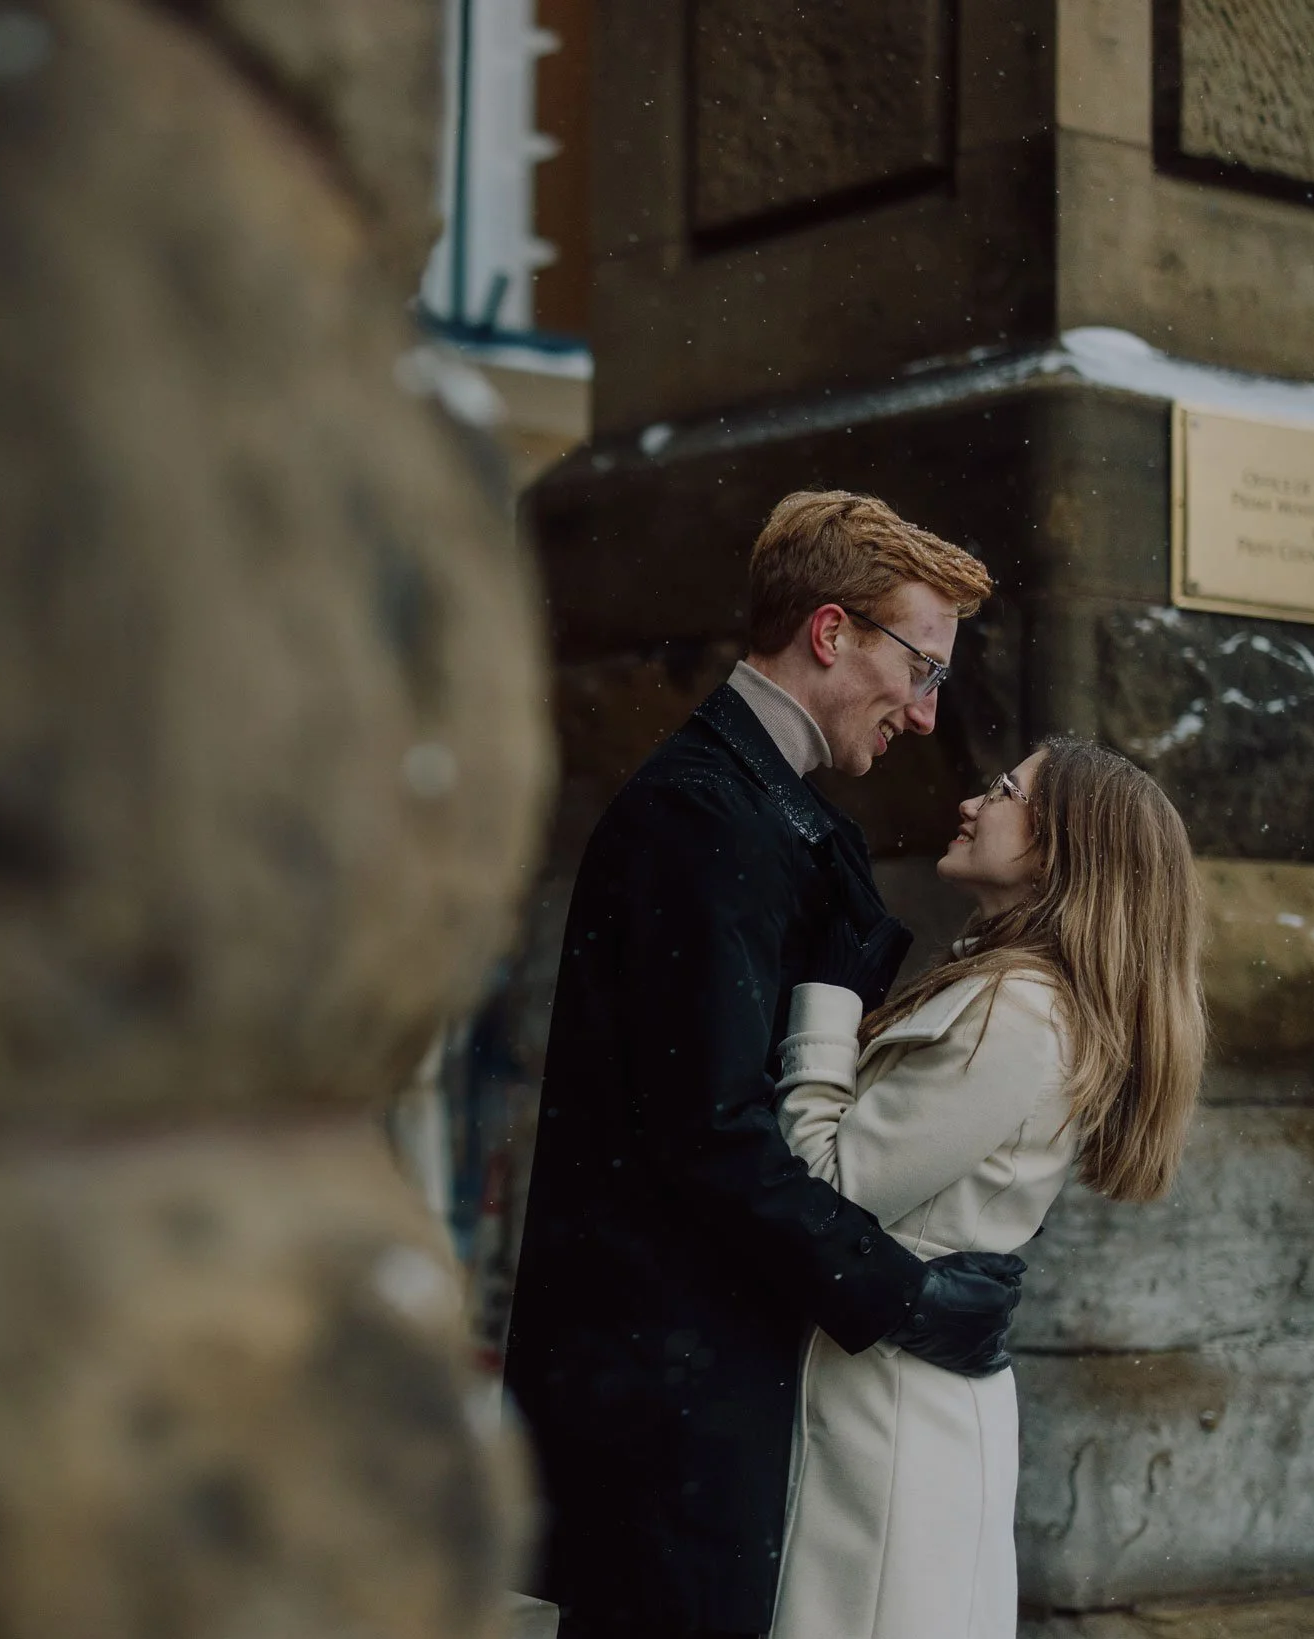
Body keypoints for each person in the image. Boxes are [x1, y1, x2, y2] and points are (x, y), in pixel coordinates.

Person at [504, 490, 1017, 1639]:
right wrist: (902, 1295)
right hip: (664, 1415)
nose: (928, 717)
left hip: (684, 1396)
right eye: (922, 669)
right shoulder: (704, 815)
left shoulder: (758, 807)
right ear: (831, 633)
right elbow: (713, 1134)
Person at [767, 739, 1204, 1639]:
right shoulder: (1015, 992)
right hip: (900, 1397)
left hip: (889, 1412)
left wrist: (825, 1000)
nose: (972, 800)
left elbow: (827, 1189)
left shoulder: (1020, 1010)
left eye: (1005, 791)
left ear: (1058, 848)